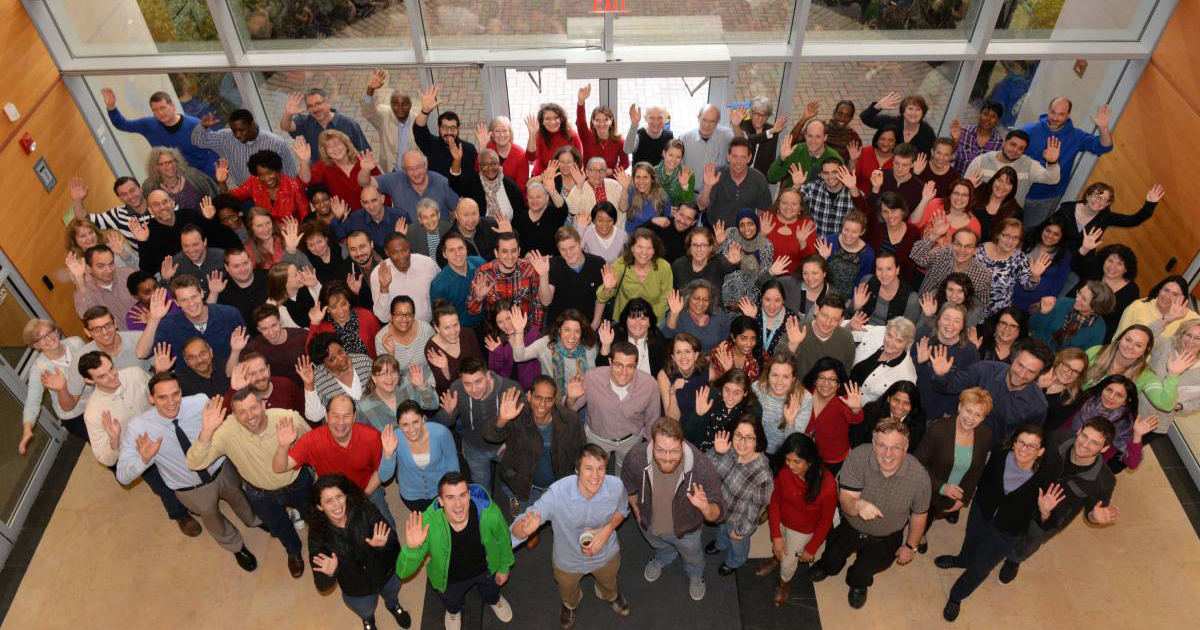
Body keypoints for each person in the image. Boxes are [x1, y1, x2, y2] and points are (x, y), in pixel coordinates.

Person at [115, 374, 260, 570]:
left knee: (240, 498)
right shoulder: (139, 427)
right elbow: (122, 476)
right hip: (190, 488)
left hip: (221, 469)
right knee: (212, 519)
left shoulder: (199, 402)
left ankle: (254, 520)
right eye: (162, 397)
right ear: (151, 398)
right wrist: (144, 459)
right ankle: (235, 546)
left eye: (176, 394)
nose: (171, 402)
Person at [186, 389, 312, 578]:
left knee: (314, 517)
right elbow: (195, 463)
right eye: (242, 412)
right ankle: (293, 551)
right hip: (260, 494)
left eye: (253, 408)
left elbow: (313, 443)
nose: (249, 416)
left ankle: (322, 546)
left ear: (263, 405)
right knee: (279, 526)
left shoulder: (286, 417)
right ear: (234, 416)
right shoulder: (227, 432)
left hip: (297, 483)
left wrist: (299, 435)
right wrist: (207, 431)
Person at [934, 425, 1053, 622]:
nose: (1024, 449)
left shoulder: (1045, 479)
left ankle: (957, 596)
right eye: (1021, 442)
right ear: (1014, 443)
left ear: (1040, 451)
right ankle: (962, 559)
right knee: (971, 541)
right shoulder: (999, 454)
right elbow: (980, 478)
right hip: (982, 512)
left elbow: (1047, 521)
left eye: (1032, 446)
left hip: (1007, 530)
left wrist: (1045, 512)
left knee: (981, 567)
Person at [808, 419, 930, 609]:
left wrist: (910, 546)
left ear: (906, 447)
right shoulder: (858, 457)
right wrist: (858, 504)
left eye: (896, 447)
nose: (887, 454)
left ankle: (858, 584)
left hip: (886, 537)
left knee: (866, 569)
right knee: (832, 556)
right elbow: (846, 501)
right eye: (882, 445)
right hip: (850, 526)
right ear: (873, 443)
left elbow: (919, 515)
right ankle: (828, 567)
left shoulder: (919, 477)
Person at [509, 444, 631, 630]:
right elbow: (523, 522)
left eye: (600, 469)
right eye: (588, 469)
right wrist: (524, 530)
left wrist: (608, 529)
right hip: (568, 559)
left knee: (609, 580)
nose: (596, 476)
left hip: (605, 553)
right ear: (577, 470)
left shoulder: (616, 486)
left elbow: (622, 510)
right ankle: (570, 605)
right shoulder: (557, 493)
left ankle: (610, 595)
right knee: (567, 589)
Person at [75, 351, 197, 534]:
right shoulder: (93, 413)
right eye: (102, 376)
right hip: (139, 452)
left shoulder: (134, 374)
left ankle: (197, 496)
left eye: (112, 369)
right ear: (89, 381)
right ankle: (180, 514)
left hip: (164, 433)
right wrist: (114, 440)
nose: (112, 377)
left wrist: (159, 374)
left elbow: (159, 396)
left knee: (187, 466)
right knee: (162, 486)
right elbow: (106, 459)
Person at [992, 418, 1120, 588]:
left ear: (1104, 448)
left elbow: (1093, 511)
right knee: (1006, 526)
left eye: (1095, 443)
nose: (1085, 444)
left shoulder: (1104, 480)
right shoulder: (1057, 439)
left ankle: (1014, 561)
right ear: (1079, 430)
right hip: (1027, 497)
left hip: (1051, 520)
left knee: (1030, 542)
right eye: (1084, 436)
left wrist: (1095, 517)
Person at [620, 417, 725, 601]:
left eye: (674, 451)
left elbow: (720, 509)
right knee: (660, 545)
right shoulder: (635, 457)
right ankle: (664, 556)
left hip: (687, 531)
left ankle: (695, 574)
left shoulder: (701, 466)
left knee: (692, 556)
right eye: (660, 450)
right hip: (650, 524)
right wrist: (638, 513)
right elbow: (628, 485)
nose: (667, 458)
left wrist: (706, 508)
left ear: (682, 445)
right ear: (651, 444)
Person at [398, 472, 516, 629]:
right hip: (450, 578)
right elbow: (402, 573)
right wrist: (412, 549)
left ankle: (493, 600)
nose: (458, 504)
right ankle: (453, 611)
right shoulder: (427, 524)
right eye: (450, 497)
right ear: (440, 501)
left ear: (469, 495)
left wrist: (504, 567)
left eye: (462, 495)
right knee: (452, 600)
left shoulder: (489, 513)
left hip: (486, 568)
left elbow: (503, 540)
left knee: (491, 589)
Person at [306, 473, 412, 630]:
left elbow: (393, 540)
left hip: (387, 573)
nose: (337, 504)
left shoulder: (364, 508)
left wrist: (382, 545)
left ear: (346, 496)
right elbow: (322, 586)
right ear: (319, 506)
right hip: (357, 590)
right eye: (328, 501)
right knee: (366, 609)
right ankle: (368, 620)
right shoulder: (317, 535)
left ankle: (393, 605)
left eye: (339, 496)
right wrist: (329, 573)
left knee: (392, 593)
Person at [275, 393, 395, 530]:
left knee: (386, 528)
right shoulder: (312, 441)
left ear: (354, 417)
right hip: (335, 501)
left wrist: (364, 495)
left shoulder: (372, 437)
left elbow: (380, 470)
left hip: (368, 490)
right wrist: (283, 447)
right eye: (335, 416)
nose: (340, 422)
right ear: (326, 416)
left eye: (346, 416)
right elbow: (280, 468)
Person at [485, 375, 586, 518]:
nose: (542, 404)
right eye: (538, 397)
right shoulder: (516, 416)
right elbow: (490, 436)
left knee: (559, 521)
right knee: (527, 531)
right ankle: (513, 498)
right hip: (525, 488)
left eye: (548, 399)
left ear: (554, 400)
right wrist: (502, 419)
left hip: (558, 488)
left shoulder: (570, 420)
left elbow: (581, 452)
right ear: (529, 396)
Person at [759, 432, 837, 607]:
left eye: (797, 462)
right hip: (781, 519)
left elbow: (825, 521)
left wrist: (811, 548)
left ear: (810, 461)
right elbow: (774, 499)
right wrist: (776, 534)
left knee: (788, 564)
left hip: (802, 531)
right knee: (778, 547)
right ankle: (775, 558)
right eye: (788, 460)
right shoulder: (784, 471)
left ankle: (784, 584)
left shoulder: (828, 486)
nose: (790, 466)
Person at [930, 337, 1055, 447]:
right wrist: (941, 375)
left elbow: (1024, 439)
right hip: (951, 435)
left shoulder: (1038, 406)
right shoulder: (984, 370)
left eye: (1031, 372)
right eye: (1020, 365)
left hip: (987, 452)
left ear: (1039, 374)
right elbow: (948, 387)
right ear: (1013, 358)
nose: (1022, 374)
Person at [913, 388, 993, 549]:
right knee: (925, 515)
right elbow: (917, 464)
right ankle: (919, 535)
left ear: (983, 418)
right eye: (968, 410)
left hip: (956, 489)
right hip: (930, 487)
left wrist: (964, 498)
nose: (971, 418)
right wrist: (942, 487)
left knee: (937, 513)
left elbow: (977, 470)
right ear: (959, 407)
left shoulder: (985, 435)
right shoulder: (938, 430)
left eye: (978, 415)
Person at [566, 340, 662, 471]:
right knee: (595, 474)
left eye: (630, 366)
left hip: (631, 439)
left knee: (624, 474)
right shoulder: (592, 378)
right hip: (597, 437)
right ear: (610, 362)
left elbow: (653, 420)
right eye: (618, 365)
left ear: (636, 365)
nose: (624, 372)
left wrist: (652, 447)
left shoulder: (650, 385)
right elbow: (569, 411)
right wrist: (571, 398)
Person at [1020, 100, 1114, 226]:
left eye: (1061, 114)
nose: (1055, 118)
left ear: (1068, 115)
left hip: (1047, 197)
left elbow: (1104, 146)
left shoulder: (1076, 136)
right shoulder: (1029, 130)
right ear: (1048, 110)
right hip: (1019, 190)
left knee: (1030, 234)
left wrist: (1103, 128)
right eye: (1053, 112)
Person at [706, 416, 773, 576]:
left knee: (737, 544)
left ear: (757, 440)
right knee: (722, 530)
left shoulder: (763, 475)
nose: (742, 443)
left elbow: (756, 509)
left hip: (738, 519)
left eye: (749, 438)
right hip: (721, 509)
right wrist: (717, 452)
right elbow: (707, 470)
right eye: (738, 435)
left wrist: (742, 530)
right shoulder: (727, 449)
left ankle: (735, 561)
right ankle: (721, 544)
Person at [100, 87, 218, 176]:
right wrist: (111, 107)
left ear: (172, 106)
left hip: (207, 175)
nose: (160, 113)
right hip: (178, 180)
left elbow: (216, 148)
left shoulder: (194, 124)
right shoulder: (149, 124)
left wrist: (212, 174)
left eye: (162, 108)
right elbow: (123, 125)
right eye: (155, 110)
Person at [1082, 324, 1194, 417]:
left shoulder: (1145, 376)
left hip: (1102, 422)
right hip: (1074, 407)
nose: (1130, 347)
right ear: (1120, 338)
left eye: (1138, 345)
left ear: (1145, 351)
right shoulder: (1096, 351)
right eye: (1128, 340)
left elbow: (1166, 405)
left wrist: (1173, 375)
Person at [139, 276, 244, 374]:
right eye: (184, 300)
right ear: (176, 303)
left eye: (194, 297)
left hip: (231, 377)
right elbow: (141, 353)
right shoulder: (169, 324)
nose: (191, 304)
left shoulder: (229, 314)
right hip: (191, 385)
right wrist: (154, 319)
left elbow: (247, 349)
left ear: (202, 294)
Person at [133, 189, 242, 276]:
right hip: (183, 282)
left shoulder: (190, 215)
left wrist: (210, 220)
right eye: (156, 205)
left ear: (172, 202)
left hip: (211, 269)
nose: (162, 207)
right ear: (150, 210)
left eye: (165, 202)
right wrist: (143, 242)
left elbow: (223, 238)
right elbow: (148, 270)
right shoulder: (148, 232)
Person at [379, 400, 460, 512]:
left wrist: (452, 492)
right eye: (405, 425)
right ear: (399, 425)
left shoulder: (441, 433)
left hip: (441, 491)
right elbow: (384, 477)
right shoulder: (394, 439)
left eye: (415, 422)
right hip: (412, 496)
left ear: (423, 419)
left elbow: (453, 466)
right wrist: (388, 454)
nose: (411, 429)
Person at [1063, 375, 1149, 473]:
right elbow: (1066, 425)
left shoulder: (1124, 425)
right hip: (1064, 448)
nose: (1111, 397)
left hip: (1085, 469)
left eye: (1119, 395)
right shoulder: (1090, 402)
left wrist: (1137, 436)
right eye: (1109, 390)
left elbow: (1132, 464)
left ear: (1125, 401)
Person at [191, 109, 297, 187]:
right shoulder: (225, 138)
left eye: (241, 130)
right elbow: (198, 141)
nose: (237, 135)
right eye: (234, 130)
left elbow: (291, 175)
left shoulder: (276, 143)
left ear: (252, 124)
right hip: (246, 198)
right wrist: (203, 126)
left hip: (275, 195)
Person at [508, 308, 602, 395]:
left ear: (582, 333)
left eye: (577, 331)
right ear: (559, 329)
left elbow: (593, 381)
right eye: (567, 330)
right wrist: (519, 331)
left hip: (582, 399)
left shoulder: (589, 349)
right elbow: (519, 357)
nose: (572, 336)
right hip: (552, 400)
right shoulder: (546, 344)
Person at [467, 232, 547, 330]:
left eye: (513, 251)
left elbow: (537, 303)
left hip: (526, 328)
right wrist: (478, 298)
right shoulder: (484, 273)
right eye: (504, 251)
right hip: (498, 331)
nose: (510, 256)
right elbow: (472, 311)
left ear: (519, 251)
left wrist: (534, 332)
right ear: (496, 253)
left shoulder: (530, 269)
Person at [913, 304, 980, 420]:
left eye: (957, 321)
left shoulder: (970, 352)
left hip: (941, 415)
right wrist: (918, 362)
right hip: (912, 406)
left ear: (963, 326)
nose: (950, 324)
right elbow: (904, 372)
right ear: (938, 320)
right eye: (946, 318)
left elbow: (966, 389)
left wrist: (941, 375)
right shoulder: (922, 336)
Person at [1051, 182, 1164, 251]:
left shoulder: (1105, 217)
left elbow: (1133, 220)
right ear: (1087, 196)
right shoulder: (1067, 208)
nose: (1098, 201)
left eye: (1103, 199)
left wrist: (1150, 204)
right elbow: (1046, 228)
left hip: (1079, 261)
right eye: (1095, 195)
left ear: (1107, 204)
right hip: (1053, 252)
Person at [975, 218, 1052, 316]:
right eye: (1006, 236)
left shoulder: (1019, 259)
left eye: (1015, 237)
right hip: (970, 305)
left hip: (995, 312)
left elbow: (1027, 287)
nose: (1010, 241)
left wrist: (1035, 276)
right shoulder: (980, 249)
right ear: (998, 234)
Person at [964, 130, 1060, 206]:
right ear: (1004, 142)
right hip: (978, 214)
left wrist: (1052, 163)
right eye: (1013, 144)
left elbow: (1052, 180)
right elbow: (964, 187)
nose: (1015, 150)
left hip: (1009, 221)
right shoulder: (981, 161)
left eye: (1021, 148)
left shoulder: (1029, 165)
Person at [1069, 241, 1139, 344]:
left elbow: (1119, 320)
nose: (1112, 267)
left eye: (1119, 264)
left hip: (1096, 336)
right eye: (1110, 260)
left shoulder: (1131, 290)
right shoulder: (1094, 272)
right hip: (1069, 318)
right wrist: (1085, 248)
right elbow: (1074, 265)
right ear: (1103, 260)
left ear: (1126, 269)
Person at [362, 149, 459, 222]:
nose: (416, 173)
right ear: (404, 170)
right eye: (410, 169)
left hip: (439, 239)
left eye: (419, 167)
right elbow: (365, 184)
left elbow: (456, 211)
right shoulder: (395, 180)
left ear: (426, 165)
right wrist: (365, 171)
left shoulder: (443, 183)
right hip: (408, 242)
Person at [596, 228, 673, 320]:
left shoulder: (664, 266)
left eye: (649, 248)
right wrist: (607, 289)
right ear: (632, 248)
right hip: (624, 320)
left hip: (654, 320)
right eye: (640, 247)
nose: (644, 252)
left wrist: (647, 317)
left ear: (654, 251)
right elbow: (601, 297)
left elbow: (666, 296)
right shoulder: (620, 264)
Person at [697, 138, 773, 228]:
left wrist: (758, 234)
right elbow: (701, 205)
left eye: (743, 157)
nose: (738, 162)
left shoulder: (759, 179)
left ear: (749, 158)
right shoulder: (716, 174)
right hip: (713, 229)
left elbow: (763, 211)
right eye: (734, 156)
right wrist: (708, 186)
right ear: (728, 157)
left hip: (743, 233)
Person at [295, 132, 380, 211]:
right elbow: (306, 181)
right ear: (326, 152)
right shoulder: (323, 166)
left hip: (372, 212)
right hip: (344, 218)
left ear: (346, 145)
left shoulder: (363, 161)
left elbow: (383, 188)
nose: (335, 149)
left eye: (337, 144)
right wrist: (305, 162)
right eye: (329, 147)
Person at [1141, 318, 1200, 430]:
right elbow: (1144, 336)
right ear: (1181, 334)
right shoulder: (1165, 346)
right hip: (1134, 408)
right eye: (1188, 335)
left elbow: (1198, 402)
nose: (1191, 341)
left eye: (1198, 338)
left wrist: (1180, 406)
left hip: (1157, 423)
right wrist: (1166, 319)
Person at [220, 150, 309, 222]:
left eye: (269, 173)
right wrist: (222, 182)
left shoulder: (294, 186)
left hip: (291, 234)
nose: (266, 178)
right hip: (264, 232)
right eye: (261, 175)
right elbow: (230, 198)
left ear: (278, 170)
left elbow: (306, 218)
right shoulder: (254, 182)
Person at [368, 234, 439, 326]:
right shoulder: (378, 274)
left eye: (405, 250)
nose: (401, 256)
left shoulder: (428, 264)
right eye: (395, 252)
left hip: (430, 327)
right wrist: (384, 288)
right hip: (400, 332)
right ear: (387, 252)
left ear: (410, 247)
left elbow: (442, 293)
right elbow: (383, 318)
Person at [69, 176, 152, 252]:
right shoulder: (118, 215)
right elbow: (84, 219)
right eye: (124, 194)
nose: (130, 196)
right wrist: (77, 200)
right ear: (120, 198)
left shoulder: (157, 202)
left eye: (132, 190)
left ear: (140, 189)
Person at [544, 226, 606, 327]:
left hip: (586, 325)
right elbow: (546, 301)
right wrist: (543, 275)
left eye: (572, 247)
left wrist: (595, 323)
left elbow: (600, 299)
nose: (569, 253)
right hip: (558, 326)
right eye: (563, 249)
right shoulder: (554, 264)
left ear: (580, 243)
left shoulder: (597, 264)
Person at [785, 292, 856, 378]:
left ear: (841, 321)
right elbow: (777, 365)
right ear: (816, 310)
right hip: (796, 387)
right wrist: (792, 346)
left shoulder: (846, 339)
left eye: (834, 319)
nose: (827, 323)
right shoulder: (797, 330)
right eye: (824, 315)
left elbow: (844, 375)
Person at [849, 316, 918, 404]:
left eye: (899, 341)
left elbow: (898, 408)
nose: (891, 343)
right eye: (889, 335)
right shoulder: (878, 333)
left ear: (908, 344)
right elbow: (849, 329)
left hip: (861, 411)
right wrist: (850, 327)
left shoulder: (907, 375)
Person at [356, 355, 437, 429]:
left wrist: (421, 386)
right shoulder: (363, 407)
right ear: (374, 378)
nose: (389, 378)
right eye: (383, 374)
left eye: (393, 372)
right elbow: (363, 433)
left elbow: (433, 405)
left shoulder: (409, 384)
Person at [279, 88, 370, 154]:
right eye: (310, 106)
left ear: (327, 103)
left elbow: (365, 152)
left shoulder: (349, 124)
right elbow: (285, 126)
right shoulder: (306, 122)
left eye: (318, 104)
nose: (315, 109)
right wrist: (288, 113)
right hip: (320, 175)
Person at [690, 368, 761, 452]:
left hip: (730, 457)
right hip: (700, 452)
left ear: (745, 393)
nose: (730, 397)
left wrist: (726, 452)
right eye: (727, 390)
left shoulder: (753, 410)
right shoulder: (710, 398)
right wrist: (699, 415)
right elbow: (688, 436)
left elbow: (751, 446)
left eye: (737, 393)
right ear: (722, 387)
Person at [67, 245, 138, 329]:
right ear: (89, 269)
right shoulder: (86, 292)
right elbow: (87, 316)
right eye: (101, 266)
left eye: (111, 264)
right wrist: (79, 278)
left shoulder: (128, 274)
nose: (109, 270)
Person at [1012, 215, 1074, 310]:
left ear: (1062, 237)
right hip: (1007, 297)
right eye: (1048, 230)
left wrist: (1044, 303)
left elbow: (1059, 282)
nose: (1050, 236)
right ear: (1042, 229)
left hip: (1032, 307)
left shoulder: (1064, 255)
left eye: (1056, 234)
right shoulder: (1027, 241)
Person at [752, 353, 809, 456]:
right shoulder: (756, 388)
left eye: (785, 377)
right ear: (768, 375)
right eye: (775, 375)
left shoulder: (805, 399)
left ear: (793, 378)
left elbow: (795, 443)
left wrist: (790, 423)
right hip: (754, 447)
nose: (779, 382)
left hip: (783, 453)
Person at [1030, 283, 1116, 351]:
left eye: (1084, 299)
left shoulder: (1099, 329)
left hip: (1056, 361)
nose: (1077, 298)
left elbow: (1083, 356)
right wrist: (1043, 313)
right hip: (1035, 344)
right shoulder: (1063, 303)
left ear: (1095, 307)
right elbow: (1033, 325)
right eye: (1079, 293)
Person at [307, 281, 382, 359]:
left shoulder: (366, 316)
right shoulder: (322, 328)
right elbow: (312, 356)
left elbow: (380, 343)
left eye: (343, 304)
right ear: (327, 309)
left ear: (349, 302)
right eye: (333, 307)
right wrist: (314, 323)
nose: (340, 311)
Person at [718, 209, 776, 308]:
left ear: (757, 224)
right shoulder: (731, 235)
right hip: (721, 298)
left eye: (750, 224)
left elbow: (762, 281)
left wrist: (742, 304)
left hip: (747, 302)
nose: (746, 229)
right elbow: (717, 266)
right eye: (742, 225)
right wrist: (719, 244)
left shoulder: (766, 246)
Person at [912, 228, 992, 299]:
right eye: (958, 244)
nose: (962, 250)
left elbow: (980, 308)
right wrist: (933, 236)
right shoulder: (940, 255)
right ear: (952, 245)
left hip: (956, 314)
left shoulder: (983, 275)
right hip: (923, 306)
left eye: (968, 246)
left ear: (975, 250)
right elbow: (916, 256)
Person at [360, 68, 415, 173]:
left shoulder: (417, 121)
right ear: (390, 105)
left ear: (410, 105)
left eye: (404, 104)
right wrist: (370, 90)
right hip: (391, 171)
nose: (400, 108)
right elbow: (368, 112)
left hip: (413, 171)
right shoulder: (384, 115)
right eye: (396, 104)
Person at [450, 148, 526, 222]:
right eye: (485, 164)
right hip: (478, 233)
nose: (490, 168)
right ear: (480, 167)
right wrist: (457, 160)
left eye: (493, 163)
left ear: (499, 164)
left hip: (507, 232)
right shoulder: (471, 182)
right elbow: (455, 184)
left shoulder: (510, 185)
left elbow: (520, 214)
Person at [598, 299, 668, 377]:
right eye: (633, 318)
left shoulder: (657, 338)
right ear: (625, 320)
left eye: (643, 318)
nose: (637, 323)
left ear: (650, 323)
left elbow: (663, 372)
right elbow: (601, 372)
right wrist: (605, 346)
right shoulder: (615, 334)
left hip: (647, 387)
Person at [671, 226, 740, 307]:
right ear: (689, 247)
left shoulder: (718, 261)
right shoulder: (679, 265)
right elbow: (674, 295)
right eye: (695, 245)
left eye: (703, 245)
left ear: (710, 248)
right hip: (686, 314)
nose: (699, 249)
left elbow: (728, 267)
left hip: (713, 314)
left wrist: (734, 263)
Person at [1113, 275, 1198, 339]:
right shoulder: (1138, 306)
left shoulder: (1190, 317)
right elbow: (1118, 338)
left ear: (1182, 299)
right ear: (1159, 290)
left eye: (1175, 294)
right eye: (1166, 290)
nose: (1167, 297)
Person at [425, 304, 485, 395]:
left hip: (476, 386)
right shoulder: (432, 349)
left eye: (456, 325)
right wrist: (445, 369)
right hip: (454, 394)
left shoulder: (468, 334)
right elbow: (445, 389)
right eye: (447, 328)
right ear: (437, 328)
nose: (453, 332)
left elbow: (481, 365)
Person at [849, 380, 926, 451]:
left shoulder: (918, 419)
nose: (899, 407)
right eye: (896, 400)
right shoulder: (871, 411)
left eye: (906, 403)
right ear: (888, 398)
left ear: (913, 406)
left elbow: (912, 450)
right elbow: (856, 439)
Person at [848, 252, 920, 326]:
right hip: (860, 328)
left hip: (888, 336)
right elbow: (850, 313)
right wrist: (857, 307)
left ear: (897, 270)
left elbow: (907, 332)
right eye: (879, 269)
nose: (884, 274)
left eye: (889, 269)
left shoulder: (911, 299)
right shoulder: (867, 281)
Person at [142, 146, 219, 210]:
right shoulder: (150, 186)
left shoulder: (194, 175)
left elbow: (213, 195)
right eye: (165, 163)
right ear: (156, 167)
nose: (171, 166)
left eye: (172, 161)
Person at [656, 333, 710, 425]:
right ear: (673, 357)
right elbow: (672, 420)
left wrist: (727, 369)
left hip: (698, 425)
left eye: (687, 351)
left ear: (696, 355)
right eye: (678, 352)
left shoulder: (704, 371)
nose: (683, 356)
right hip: (675, 430)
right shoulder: (664, 375)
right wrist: (672, 392)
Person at [662, 282, 731, 353]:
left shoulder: (718, 313)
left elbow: (725, 338)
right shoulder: (679, 313)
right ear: (688, 298)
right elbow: (667, 335)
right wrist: (674, 314)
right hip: (686, 360)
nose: (700, 303)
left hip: (712, 359)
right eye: (696, 298)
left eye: (705, 300)